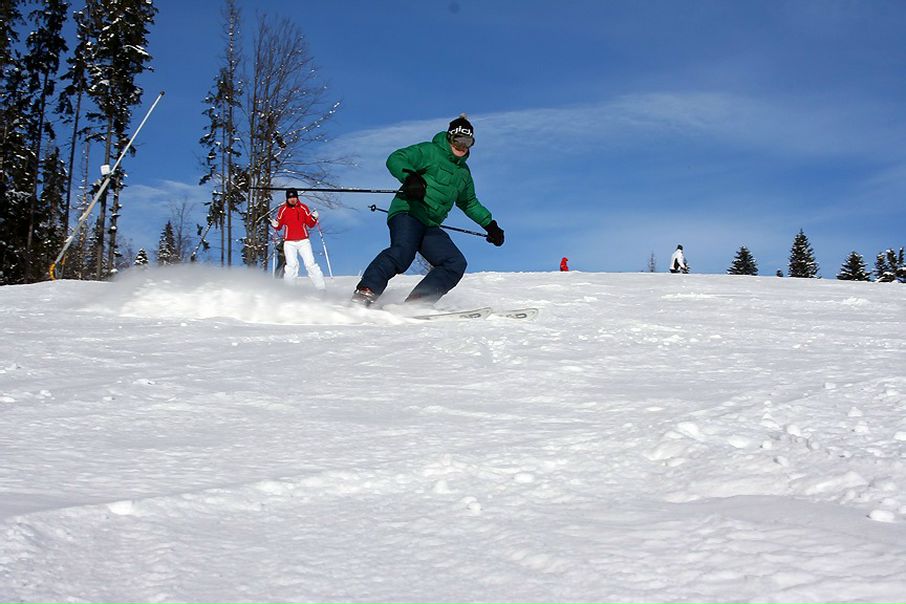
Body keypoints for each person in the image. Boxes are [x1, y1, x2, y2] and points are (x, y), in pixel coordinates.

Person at [351, 114, 504, 306]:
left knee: (454, 263)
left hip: (430, 224)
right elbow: (396, 158)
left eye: (468, 142)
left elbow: (469, 202)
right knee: (403, 253)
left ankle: (417, 303)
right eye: (458, 140)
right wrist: (410, 178)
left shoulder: (464, 173)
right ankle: (366, 291)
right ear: (450, 137)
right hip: (408, 211)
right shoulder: (430, 151)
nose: (462, 146)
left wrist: (490, 225)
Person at [271, 188, 326, 291]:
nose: (292, 199)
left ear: (297, 198)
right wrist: (275, 224)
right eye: (290, 198)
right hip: (289, 242)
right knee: (291, 266)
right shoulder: (283, 209)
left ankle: (321, 288)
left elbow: (310, 224)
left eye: (294, 197)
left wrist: (314, 218)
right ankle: (290, 290)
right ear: (287, 199)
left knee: (310, 264)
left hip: (303, 241)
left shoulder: (303, 208)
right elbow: (279, 225)